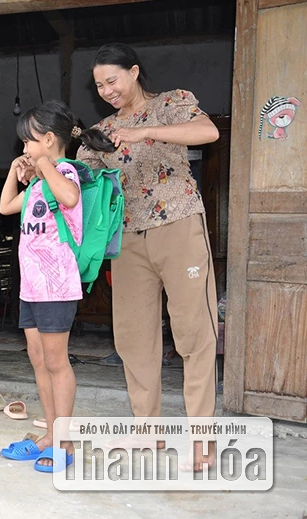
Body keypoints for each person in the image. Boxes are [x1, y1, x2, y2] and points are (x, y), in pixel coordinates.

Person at [76, 43, 220, 468]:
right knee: (134, 338)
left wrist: (143, 132)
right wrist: (44, 167)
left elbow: (207, 132)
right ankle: (148, 434)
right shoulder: (102, 129)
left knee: (194, 332)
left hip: (177, 224)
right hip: (128, 238)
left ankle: (202, 440)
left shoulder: (172, 103)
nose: (106, 90)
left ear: (134, 72)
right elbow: (81, 178)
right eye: (99, 84)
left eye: (112, 80)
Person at [0, 101, 115, 472]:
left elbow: (69, 198)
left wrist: (44, 165)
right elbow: (6, 207)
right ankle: (48, 433)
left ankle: (63, 442)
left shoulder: (66, 171)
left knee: (56, 361)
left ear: (48, 140)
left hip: (57, 285)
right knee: (37, 359)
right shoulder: (38, 182)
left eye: (28, 144)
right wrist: (15, 172)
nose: (24, 150)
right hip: (32, 287)